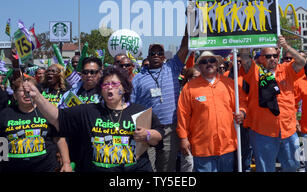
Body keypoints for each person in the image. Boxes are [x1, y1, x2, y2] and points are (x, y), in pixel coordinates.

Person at [23, 66, 164, 172]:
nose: (110, 88)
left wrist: (148, 134)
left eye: (114, 84)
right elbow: (57, 118)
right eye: (105, 85)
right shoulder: (89, 111)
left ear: (124, 89)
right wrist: (37, 97)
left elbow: (158, 136)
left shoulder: (139, 111)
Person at [239, 35, 306, 172]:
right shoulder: (255, 72)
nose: (272, 59)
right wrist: (246, 39)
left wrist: (286, 47)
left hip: (288, 131)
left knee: (293, 167)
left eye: (275, 55)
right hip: (263, 133)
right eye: (268, 56)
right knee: (265, 169)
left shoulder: (287, 69)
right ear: (261, 58)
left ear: (278, 54)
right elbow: (245, 58)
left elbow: (301, 62)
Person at [176, 51, 246, 172]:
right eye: (204, 61)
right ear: (199, 66)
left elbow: (243, 102)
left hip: (227, 147)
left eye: (212, 61)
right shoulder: (189, 87)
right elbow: (183, 114)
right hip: (202, 149)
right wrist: (183, 138)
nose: (208, 64)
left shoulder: (229, 84)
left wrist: (242, 112)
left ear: (218, 63)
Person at [131, 28, 189, 172]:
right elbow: (130, 106)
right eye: (152, 53)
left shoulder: (172, 67)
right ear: (148, 56)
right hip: (147, 129)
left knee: (167, 168)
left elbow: (185, 46)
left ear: (164, 57)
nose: (156, 55)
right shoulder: (138, 78)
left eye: (159, 53)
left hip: (170, 128)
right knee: (147, 167)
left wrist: (190, 20)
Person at [0, 76, 71, 172]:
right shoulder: (5, 114)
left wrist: (66, 163)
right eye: (22, 90)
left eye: (30, 90)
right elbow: (1, 141)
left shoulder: (47, 112)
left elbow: (59, 139)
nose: (26, 93)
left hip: (47, 167)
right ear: (15, 95)